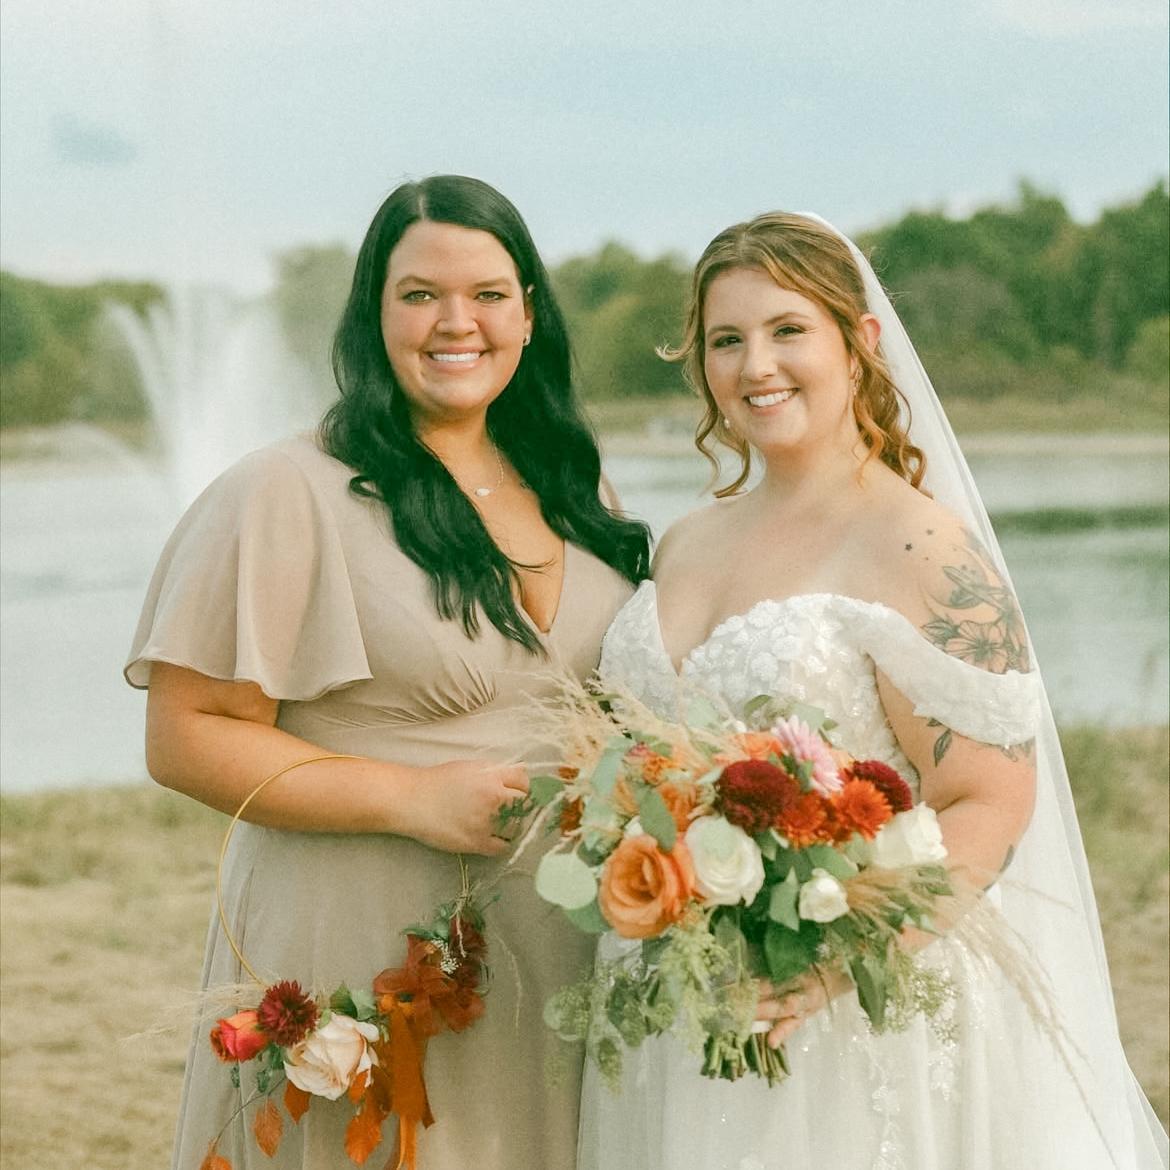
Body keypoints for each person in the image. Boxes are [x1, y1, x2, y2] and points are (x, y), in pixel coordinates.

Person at [581, 212, 1168, 1169]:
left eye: (787, 329)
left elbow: (990, 800)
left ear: (858, 344)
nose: (756, 365)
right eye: (726, 340)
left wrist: (840, 958)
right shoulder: (687, 539)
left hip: (848, 1016)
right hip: (679, 1002)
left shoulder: (919, 545)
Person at [125, 174, 650, 1170]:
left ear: (529, 315)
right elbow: (184, 737)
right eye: (420, 295)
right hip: (364, 942)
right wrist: (409, 797)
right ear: (374, 316)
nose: (457, 322)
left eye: (488, 294)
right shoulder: (286, 490)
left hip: (561, 955)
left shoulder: (574, 488)